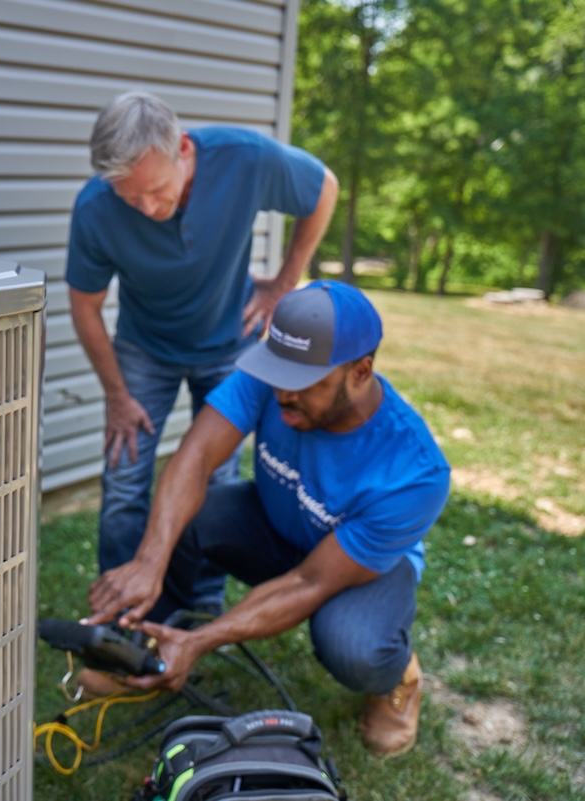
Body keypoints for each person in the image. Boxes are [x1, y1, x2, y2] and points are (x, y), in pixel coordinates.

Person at [82, 280, 451, 756]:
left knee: (353, 645)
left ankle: (396, 676)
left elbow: (309, 583)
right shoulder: (275, 378)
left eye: (302, 384)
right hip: (278, 526)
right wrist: (149, 562)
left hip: (353, 571)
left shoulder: (414, 472)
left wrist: (204, 640)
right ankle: (154, 652)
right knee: (187, 517)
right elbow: (193, 460)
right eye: (276, 373)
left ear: (361, 372)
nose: (282, 393)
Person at [66, 90, 339, 616]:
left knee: (215, 478)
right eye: (131, 199)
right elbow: (85, 308)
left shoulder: (246, 158)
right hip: (145, 350)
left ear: (184, 150)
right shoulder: (96, 208)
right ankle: (120, 609)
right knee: (124, 477)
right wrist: (117, 395)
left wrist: (285, 282)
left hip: (229, 347)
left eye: (155, 191)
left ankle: (202, 603)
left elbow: (323, 188)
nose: (146, 209)